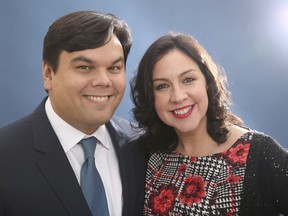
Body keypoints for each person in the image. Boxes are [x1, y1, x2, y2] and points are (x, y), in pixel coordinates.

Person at [0, 11, 146, 216]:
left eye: (114, 68)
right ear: (48, 74)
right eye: (85, 67)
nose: (103, 81)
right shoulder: (5, 156)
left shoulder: (142, 146)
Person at [130, 32, 288, 215]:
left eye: (188, 79)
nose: (178, 96)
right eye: (162, 86)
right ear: (151, 97)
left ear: (208, 82)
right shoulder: (148, 155)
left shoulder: (259, 152)